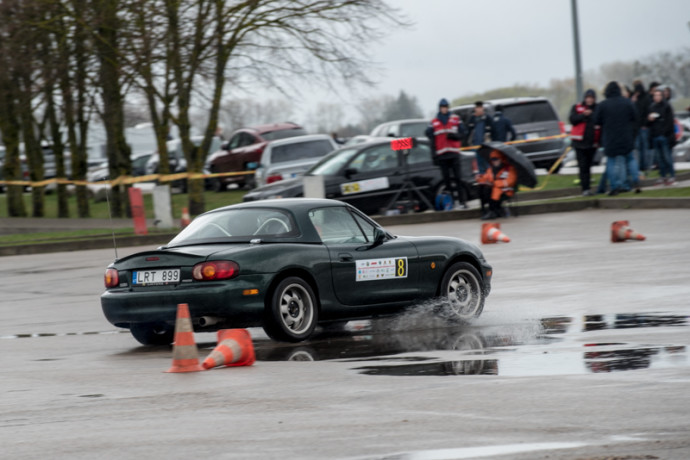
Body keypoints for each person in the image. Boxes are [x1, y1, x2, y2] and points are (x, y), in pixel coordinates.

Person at [593, 81, 637, 196]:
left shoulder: (603, 104)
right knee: (630, 159)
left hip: (610, 137)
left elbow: (596, 121)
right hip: (626, 136)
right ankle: (635, 181)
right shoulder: (627, 102)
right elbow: (635, 116)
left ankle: (613, 187)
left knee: (611, 162)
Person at [425, 98, 468, 210]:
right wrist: (434, 155)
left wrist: (455, 136)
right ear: (439, 108)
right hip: (442, 155)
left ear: (448, 107)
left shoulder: (455, 119)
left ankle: (462, 201)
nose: (444, 109)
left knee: (458, 178)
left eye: (445, 107)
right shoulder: (434, 122)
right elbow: (430, 136)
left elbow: (463, 133)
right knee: (447, 181)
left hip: (454, 153)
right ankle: (452, 202)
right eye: (442, 107)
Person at [569, 89, 599, 196]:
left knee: (589, 166)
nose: (589, 100)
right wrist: (583, 115)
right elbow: (572, 119)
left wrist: (592, 115)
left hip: (592, 144)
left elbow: (599, 120)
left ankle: (588, 188)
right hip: (579, 144)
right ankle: (585, 189)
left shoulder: (597, 108)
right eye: (588, 97)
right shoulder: (577, 107)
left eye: (591, 98)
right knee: (583, 166)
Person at [476, 150, 517, 219]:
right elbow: (485, 178)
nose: (494, 161)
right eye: (492, 159)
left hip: (506, 191)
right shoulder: (490, 169)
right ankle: (489, 210)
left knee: (490, 189)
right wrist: (479, 178)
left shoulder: (509, 168)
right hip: (494, 190)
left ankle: (493, 211)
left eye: (496, 159)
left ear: (501, 159)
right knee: (481, 188)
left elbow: (510, 181)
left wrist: (494, 183)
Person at [647, 88, 676, 185]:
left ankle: (672, 176)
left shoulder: (667, 106)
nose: (657, 97)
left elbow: (670, 122)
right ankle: (663, 176)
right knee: (659, 159)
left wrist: (665, 133)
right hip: (655, 136)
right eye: (655, 95)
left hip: (664, 136)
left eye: (659, 95)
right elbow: (648, 123)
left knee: (667, 157)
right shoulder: (651, 107)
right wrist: (649, 119)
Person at [466, 101, 493, 173]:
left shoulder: (487, 118)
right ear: (475, 109)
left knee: (488, 163)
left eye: (481, 107)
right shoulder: (472, 119)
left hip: (486, 145)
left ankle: (489, 178)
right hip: (475, 146)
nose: (479, 109)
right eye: (478, 108)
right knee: (478, 165)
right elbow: (468, 132)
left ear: (483, 108)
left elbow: (493, 130)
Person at [632, 80, 651, 175]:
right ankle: (640, 166)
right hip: (637, 127)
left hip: (643, 127)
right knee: (638, 147)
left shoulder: (646, 99)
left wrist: (645, 124)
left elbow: (647, 112)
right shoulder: (635, 99)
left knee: (644, 147)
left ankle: (645, 165)